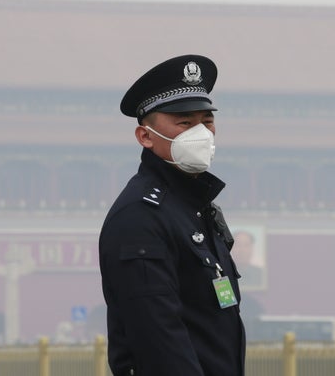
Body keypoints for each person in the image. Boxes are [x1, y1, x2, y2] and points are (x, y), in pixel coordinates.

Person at [99, 54, 245, 376]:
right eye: (184, 122)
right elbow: (159, 340)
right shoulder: (140, 217)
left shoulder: (195, 208)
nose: (201, 133)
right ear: (146, 136)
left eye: (207, 121)